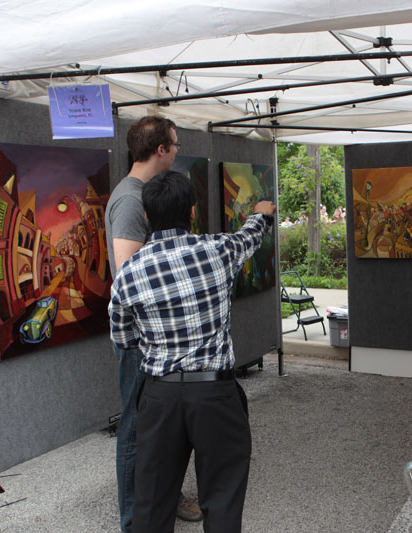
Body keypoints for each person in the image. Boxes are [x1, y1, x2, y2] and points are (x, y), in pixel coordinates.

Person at [109, 171, 276, 533]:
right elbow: (250, 236)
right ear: (192, 211)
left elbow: (123, 339)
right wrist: (261, 212)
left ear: (148, 217)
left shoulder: (128, 273)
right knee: (223, 498)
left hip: (159, 394)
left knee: (152, 502)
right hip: (215, 393)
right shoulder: (217, 250)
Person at [105, 116, 201, 532]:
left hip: (155, 337)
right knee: (134, 425)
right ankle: (133, 519)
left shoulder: (142, 193)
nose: (178, 150)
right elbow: (129, 276)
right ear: (160, 149)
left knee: (159, 424)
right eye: (175, 144)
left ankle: (166, 496)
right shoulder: (130, 200)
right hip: (140, 339)